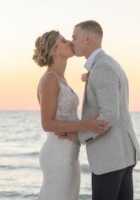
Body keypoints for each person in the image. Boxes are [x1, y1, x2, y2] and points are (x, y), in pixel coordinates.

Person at [32, 30, 109, 200]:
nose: (70, 42)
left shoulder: (61, 78)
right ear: (55, 50)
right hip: (58, 154)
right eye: (64, 41)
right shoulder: (50, 79)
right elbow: (47, 124)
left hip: (70, 153)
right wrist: (86, 125)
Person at [70, 20, 140, 200]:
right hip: (122, 153)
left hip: (110, 156)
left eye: (74, 37)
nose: (72, 42)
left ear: (88, 39)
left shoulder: (102, 67)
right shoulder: (108, 63)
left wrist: (78, 136)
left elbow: (108, 115)